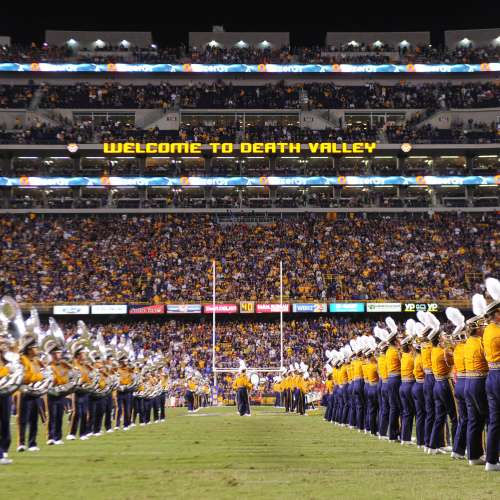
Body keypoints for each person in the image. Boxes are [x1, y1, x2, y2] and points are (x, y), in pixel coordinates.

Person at [482, 278, 500, 471]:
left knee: (495, 420)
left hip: (491, 376)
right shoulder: (496, 333)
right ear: (496, 314)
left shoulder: (488, 331)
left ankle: (492, 460)